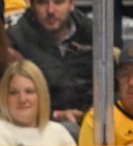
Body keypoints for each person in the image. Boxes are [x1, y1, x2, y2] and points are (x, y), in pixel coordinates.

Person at [7, 0, 93, 135]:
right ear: (32, 5)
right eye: (42, 3)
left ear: (71, 4)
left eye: (58, 2)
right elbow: (13, 101)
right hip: (41, 126)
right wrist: (56, 114)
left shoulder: (94, 34)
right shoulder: (16, 40)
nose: (50, 10)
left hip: (93, 122)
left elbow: (114, 87)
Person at [0, 59, 74, 146]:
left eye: (29, 91)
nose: (22, 99)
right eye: (14, 93)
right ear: (5, 97)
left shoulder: (58, 132)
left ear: (42, 95)